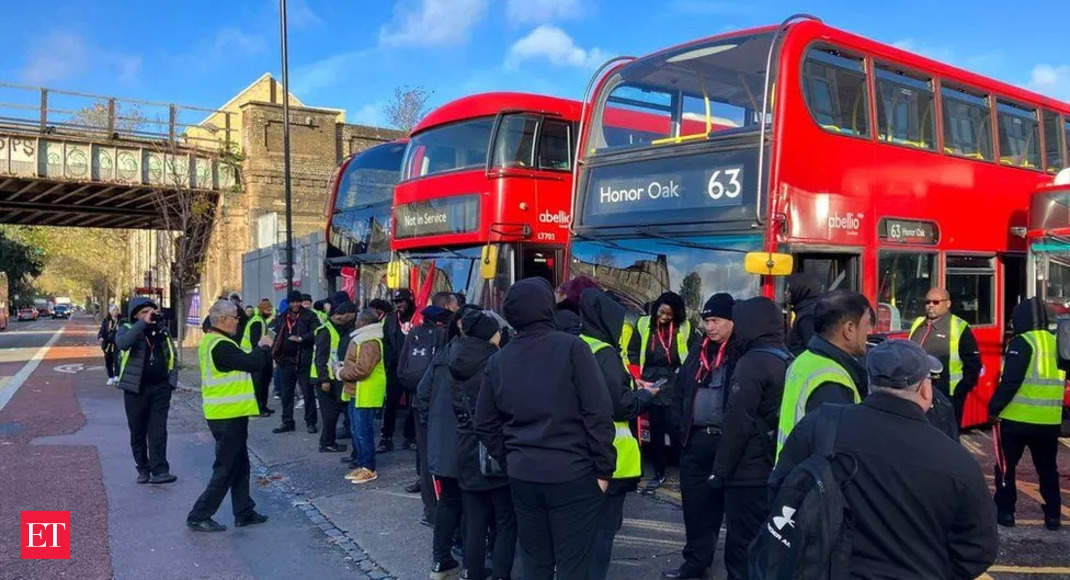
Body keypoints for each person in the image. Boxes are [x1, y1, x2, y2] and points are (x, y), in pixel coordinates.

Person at [772, 339, 998, 578]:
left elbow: (781, 490)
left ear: (870, 383)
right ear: (925, 388)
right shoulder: (955, 460)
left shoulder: (821, 425)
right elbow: (979, 548)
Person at [476, 278, 615, 580]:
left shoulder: (499, 360)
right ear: (547, 308)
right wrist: (604, 470)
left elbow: (484, 422)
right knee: (574, 565)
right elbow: (598, 412)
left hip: (523, 474)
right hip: (574, 473)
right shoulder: (572, 348)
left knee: (535, 562)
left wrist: (509, 456)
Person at [578, 288, 659, 580]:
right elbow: (619, 405)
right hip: (612, 460)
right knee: (602, 535)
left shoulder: (577, 344)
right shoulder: (605, 353)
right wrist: (646, 396)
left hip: (578, 455)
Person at [707, 297, 790, 580]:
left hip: (747, 471)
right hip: (773, 465)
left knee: (741, 548)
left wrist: (719, 472)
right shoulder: (786, 357)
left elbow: (737, 422)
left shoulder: (752, 363)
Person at [663, 293, 734, 580]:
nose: (709, 326)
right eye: (706, 320)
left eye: (715, 320)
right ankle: (695, 564)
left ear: (731, 321)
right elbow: (679, 391)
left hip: (726, 443)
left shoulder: (740, 353)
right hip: (694, 441)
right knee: (694, 508)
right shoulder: (698, 350)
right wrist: (677, 426)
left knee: (724, 510)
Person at [187, 300, 273, 532]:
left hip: (228, 413)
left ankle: (243, 511)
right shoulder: (221, 345)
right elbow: (252, 363)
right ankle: (199, 514)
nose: (238, 321)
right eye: (235, 317)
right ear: (223, 320)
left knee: (240, 464)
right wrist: (263, 346)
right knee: (225, 467)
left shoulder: (214, 341)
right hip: (227, 415)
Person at [449, 309, 516, 580]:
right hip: (492, 447)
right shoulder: (496, 363)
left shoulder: (456, 357)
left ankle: (472, 571)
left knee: (474, 519)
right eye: (498, 332)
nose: (501, 336)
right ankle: (501, 573)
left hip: (465, 446)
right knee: (505, 519)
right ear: (489, 335)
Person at [989, 297, 1065, 531]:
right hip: (1049, 420)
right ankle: (1053, 515)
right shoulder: (1056, 342)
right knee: (1048, 470)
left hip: (1017, 419)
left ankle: (1005, 512)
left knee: (1005, 467)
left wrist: (994, 408)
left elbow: (1011, 381)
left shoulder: (1022, 342)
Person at [776, 290, 872, 459]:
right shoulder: (832, 380)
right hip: (813, 481)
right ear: (849, 329)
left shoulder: (804, 359)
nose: (870, 331)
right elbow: (837, 453)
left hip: (793, 475)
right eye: (867, 323)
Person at [415, 306, 466, 579]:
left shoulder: (442, 356)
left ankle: (441, 560)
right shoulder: (486, 357)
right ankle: (472, 563)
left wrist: (434, 427)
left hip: (442, 444)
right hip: (470, 445)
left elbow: (422, 397)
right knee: (475, 503)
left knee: (448, 499)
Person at [629, 291, 690, 492]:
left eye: (669, 315)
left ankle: (685, 473)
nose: (663, 317)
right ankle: (658, 473)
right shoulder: (643, 324)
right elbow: (633, 353)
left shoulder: (685, 327)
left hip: (673, 381)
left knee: (676, 430)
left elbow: (691, 354)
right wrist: (636, 379)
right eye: (661, 312)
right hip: (649, 382)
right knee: (655, 432)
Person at [116, 296, 178, 485]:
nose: (149, 316)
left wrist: (171, 382)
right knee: (138, 431)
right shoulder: (127, 329)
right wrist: (142, 324)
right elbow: (123, 344)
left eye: (151, 312)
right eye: (144, 312)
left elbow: (171, 355)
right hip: (135, 389)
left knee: (158, 431)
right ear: (135, 315)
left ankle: (160, 470)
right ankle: (143, 468)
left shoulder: (161, 330)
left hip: (160, 387)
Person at [405, 304, 455, 523]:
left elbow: (402, 369)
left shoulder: (414, 333)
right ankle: (443, 512)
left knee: (428, 460)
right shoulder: (447, 338)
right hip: (441, 406)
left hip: (419, 402)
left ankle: (431, 511)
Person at [908, 287, 983, 425]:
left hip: (947, 396)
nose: (930, 305)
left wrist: (960, 391)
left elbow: (973, 364)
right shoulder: (919, 323)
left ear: (947, 304)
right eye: (927, 302)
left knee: (947, 438)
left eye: (936, 302)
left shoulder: (959, 327)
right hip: (917, 394)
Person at [339, 309, 388, 484]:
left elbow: (363, 369)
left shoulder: (370, 341)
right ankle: (362, 464)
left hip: (365, 392)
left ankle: (369, 467)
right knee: (356, 430)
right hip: (357, 391)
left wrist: (341, 372)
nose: (356, 321)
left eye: (359, 319)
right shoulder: (363, 339)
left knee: (363, 432)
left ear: (365, 322)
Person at [271, 290, 319, 434]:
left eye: (297, 301)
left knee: (308, 393)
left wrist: (301, 338)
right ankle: (287, 422)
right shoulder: (282, 316)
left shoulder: (310, 316)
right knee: (286, 394)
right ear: (289, 303)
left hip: (303, 359)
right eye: (292, 302)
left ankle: (311, 422)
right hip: (286, 360)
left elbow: (316, 332)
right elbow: (275, 333)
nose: (295, 304)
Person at [313, 301, 357, 454]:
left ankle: (329, 442)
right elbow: (320, 358)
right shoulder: (325, 331)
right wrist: (324, 379)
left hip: (336, 377)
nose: (352, 319)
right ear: (342, 316)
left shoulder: (341, 329)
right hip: (325, 379)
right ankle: (326, 443)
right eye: (351, 317)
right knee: (330, 414)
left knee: (336, 411)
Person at [380, 288, 417, 453]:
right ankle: (386, 437)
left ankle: (410, 436)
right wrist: (389, 361)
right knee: (391, 403)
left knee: (414, 404)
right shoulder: (390, 319)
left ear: (409, 301)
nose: (399, 305)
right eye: (396, 302)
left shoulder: (418, 317)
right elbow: (385, 341)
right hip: (395, 368)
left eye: (402, 301)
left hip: (413, 367)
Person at [240, 298, 275, 417]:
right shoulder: (257, 321)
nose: (270, 311)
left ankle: (263, 406)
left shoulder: (260, 320)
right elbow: (255, 341)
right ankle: (258, 408)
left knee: (264, 382)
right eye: (268, 309)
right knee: (258, 384)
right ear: (262, 310)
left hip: (260, 354)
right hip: (254, 356)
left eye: (270, 309)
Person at [785, 272, 821, 356]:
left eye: (789, 290)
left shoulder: (807, 315)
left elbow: (812, 347)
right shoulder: (807, 309)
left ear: (799, 290)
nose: (786, 293)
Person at [98, 305, 122, 385]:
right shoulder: (106, 321)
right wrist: (100, 337)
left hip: (117, 344)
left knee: (117, 360)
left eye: (116, 310)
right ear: (110, 312)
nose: (115, 311)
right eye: (113, 310)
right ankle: (110, 377)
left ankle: (117, 375)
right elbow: (101, 331)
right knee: (108, 361)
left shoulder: (121, 321)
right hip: (107, 345)